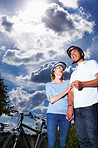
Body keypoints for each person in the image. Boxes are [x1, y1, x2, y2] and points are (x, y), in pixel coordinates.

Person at [66, 46, 98, 148]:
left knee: (93, 139)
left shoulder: (91, 63)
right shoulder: (73, 74)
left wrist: (83, 84)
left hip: (90, 106)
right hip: (77, 110)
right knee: (82, 141)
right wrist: (70, 107)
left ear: (82, 53)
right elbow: (71, 92)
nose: (73, 54)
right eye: (71, 54)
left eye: (75, 51)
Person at [45, 62, 73, 148]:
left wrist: (72, 110)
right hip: (52, 115)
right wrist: (65, 91)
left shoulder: (68, 83)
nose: (61, 69)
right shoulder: (49, 85)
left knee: (63, 144)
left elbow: (72, 97)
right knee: (51, 143)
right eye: (59, 68)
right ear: (54, 71)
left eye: (63, 69)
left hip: (66, 115)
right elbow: (52, 100)